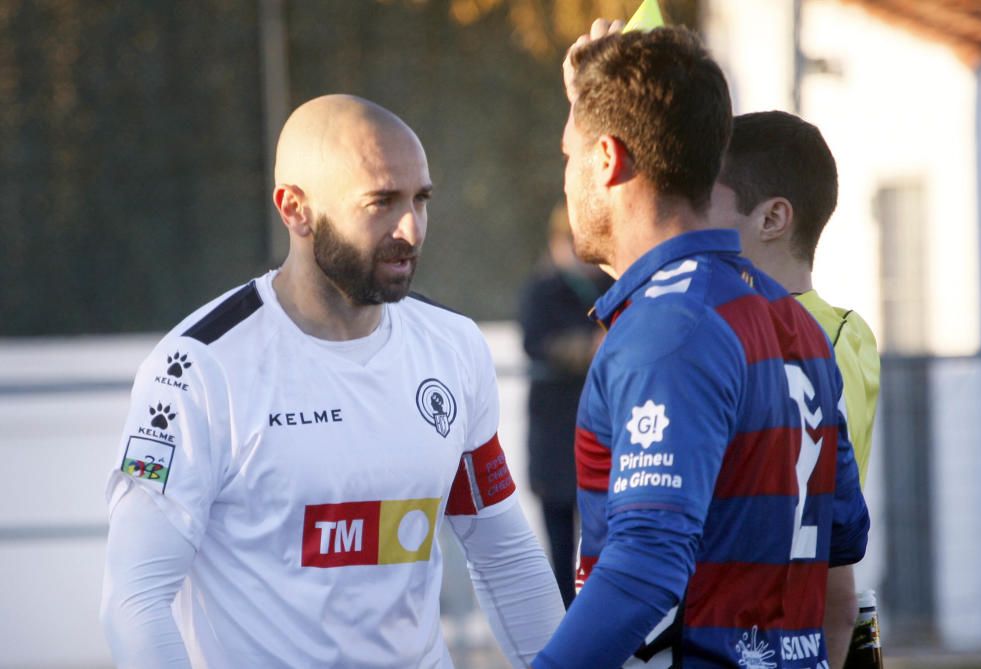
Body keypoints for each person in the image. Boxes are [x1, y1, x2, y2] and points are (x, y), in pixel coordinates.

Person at [99, 94, 564, 668]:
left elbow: (504, 554)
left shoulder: (454, 347)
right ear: (295, 208)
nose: (411, 229)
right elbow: (133, 600)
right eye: (381, 202)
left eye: (421, 200)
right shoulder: (193, 371)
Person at [532, 21, 870, 669]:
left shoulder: (671, 328)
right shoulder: (786, 319)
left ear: (607, 160)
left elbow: (644, 569)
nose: (566, 179)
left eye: (568, 155)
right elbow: (839, 559)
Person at [707, 110, 881, 668]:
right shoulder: (835, 330)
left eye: (704, 201)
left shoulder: (825, 340)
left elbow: (813, 504)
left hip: (786, 635)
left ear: (773, 218)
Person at [519, 203, 613, 606]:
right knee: (560, 548)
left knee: (605, 546)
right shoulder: (541, 289)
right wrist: (588, 349)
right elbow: (535, 341)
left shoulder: (609, 289)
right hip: (555, 436)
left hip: (601, 434)